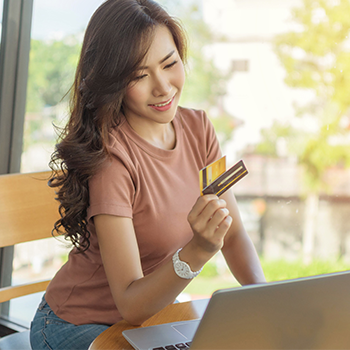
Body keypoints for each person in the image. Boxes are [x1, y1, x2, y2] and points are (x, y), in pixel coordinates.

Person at [30, 0, 266, 349]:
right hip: (77, 324)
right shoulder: (111, 160)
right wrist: (198, 250)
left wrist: (268, 303)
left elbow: (231, 235)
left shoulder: (200, 128)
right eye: (138, 75)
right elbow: (130, 304)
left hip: (153, 318)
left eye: (169, 64)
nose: (162, 87)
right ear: (112, 82)